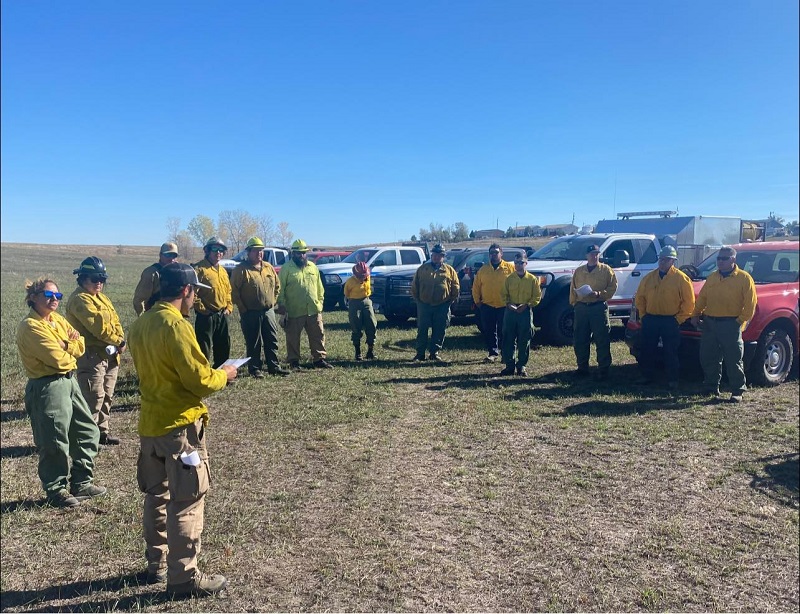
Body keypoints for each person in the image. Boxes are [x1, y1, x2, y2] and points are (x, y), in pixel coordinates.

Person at [128, 263, 237, 597]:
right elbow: (198, 380)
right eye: (194, 294)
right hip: (179, 428)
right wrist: (225, 375)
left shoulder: (141, 323)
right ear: (187, 291)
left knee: (156, 495)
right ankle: (183, 578)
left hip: (151, 425)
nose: (194, 302)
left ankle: (156, 563)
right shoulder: (176, 326)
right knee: (187, 501)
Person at [15, 278, 106, 508]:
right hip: (48, 386)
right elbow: (58, 360)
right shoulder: (30, 326)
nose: (53, 300)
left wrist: (66, 344)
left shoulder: (57, 319)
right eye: (48, 295)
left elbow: (81, 342)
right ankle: (56, 491)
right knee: (54, 440)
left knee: (88, 431)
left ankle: (82, 482)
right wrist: (69, 347)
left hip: (69, 382)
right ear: (33, 297)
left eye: (57, 296)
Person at [65, 256, 126, 445]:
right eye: (95, 279)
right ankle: (85, 439)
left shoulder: (101, 297)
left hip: (109, 355)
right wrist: (119, 340)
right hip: (91, 356)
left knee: (107, 395)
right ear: (83, 278)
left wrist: (120, 340)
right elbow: (99, 328)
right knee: (93, 398)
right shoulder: (80, 300)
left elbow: (114, 320)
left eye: (102, 279)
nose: (99, 283)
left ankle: (102, 433)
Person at [690, 246, 757, 403]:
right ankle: (711, 386)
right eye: (718, 258)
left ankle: (737, 390)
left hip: (730, 323)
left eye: (724, 258)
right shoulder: (713, 277)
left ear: (733, 259)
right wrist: (695, 314)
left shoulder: (744, 278)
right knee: (708, 357)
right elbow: (702, 299)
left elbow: (750, 304)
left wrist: (739, 321)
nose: (720, 261)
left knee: (733, 358)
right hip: (710, 323)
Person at [635, 246, 695, 390]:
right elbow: (640, 298)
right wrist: (643, 315)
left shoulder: (681, 279)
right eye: (661, 259)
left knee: (671, 351)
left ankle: (672, 379)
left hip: (670, 321)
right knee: (647, 349)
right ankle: (646, 376)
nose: (662, 262)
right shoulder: (649, 278)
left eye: (666, 259)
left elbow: (689, 302)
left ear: (673, 261)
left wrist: (678, 319)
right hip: (651, 319)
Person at [230, 237, 290, 377]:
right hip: (250, 312)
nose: (259, 253)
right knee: (253, 341)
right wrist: (243, 309)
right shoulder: (241, 269)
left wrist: (273, 301)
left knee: (271, 339)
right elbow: (234, 291)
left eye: (261, 250)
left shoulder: (268, 267)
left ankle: (273, 367)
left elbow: (277, 285)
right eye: (256, 251)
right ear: (248, 252)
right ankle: (255, 368)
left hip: (268, 311)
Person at [276, 239, 332, 369]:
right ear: (293, 253)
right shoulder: (286, 268)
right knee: (293, 338)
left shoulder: (313, 267)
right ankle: (294, 361)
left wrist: (320, 302)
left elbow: (319, 287)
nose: (301, 255)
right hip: (294, 310)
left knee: (318, 335)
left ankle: (319, 359)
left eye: (303, 253)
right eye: (298, 253)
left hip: (313, 309)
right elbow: (280, 289)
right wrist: (282, 306)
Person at [569, 244, 618, 380]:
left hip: (598, 307)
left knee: (602, 339)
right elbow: (573, 288)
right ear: (586, 255)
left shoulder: (606, 270)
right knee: (580, 339)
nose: (594, 256)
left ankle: (603, 368)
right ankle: (582, 367)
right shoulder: (579, 271)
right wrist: (575, 303)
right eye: (591, 253)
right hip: (581, 308)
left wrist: (599, 294)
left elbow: (612, 288)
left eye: (596, 253)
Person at [410, 244, 460, 362]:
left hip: (442, 305)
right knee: (422, 329)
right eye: (435, 255)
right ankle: (420, 353)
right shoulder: (423, 269)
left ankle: (434, 352)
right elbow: (414, 286)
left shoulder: (449, 270)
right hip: (424, 304)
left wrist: (450, 300)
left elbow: (456, 286)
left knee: (439, 329)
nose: (437, 257)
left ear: (443, 257)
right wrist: (418, 301)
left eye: (439, 255)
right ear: (432, 255)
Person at [193, 237, 233, 368]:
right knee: (203, 346)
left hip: (222, 314)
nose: (218, 253)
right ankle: (203, 374)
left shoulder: (223, 271)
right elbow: (192, 293)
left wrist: (229, 307)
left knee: (223, 344)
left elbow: (228, 291)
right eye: (215, 249)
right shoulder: (199, 269)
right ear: (207, 251)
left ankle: (222, 372)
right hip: (206, 316)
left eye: (221, 250)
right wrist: (203, 309)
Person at [499, 253, 541, 376]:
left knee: (524, 339)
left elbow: (537, 296)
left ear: (526, 263)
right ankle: (509, 365)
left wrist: (527, 304)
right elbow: (503, 294)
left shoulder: (532, 279)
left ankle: (521, 365)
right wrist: (508, 304)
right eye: (516, 263)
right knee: (508, 338)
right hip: (510, 311)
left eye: (521, 263)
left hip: (525, 311)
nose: (518, 265)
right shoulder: (509, 278)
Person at [472, 243, 515, 362]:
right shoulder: (483, 270)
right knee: (489, 331)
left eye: (496, 252)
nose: (494, 255)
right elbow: (476, 287)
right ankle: (493, 353)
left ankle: (505, 354)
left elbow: (516, 284)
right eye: (491, 253)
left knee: (505, 331)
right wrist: (478, 302)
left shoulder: (510, 268)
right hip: (487, 306)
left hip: (504, 305)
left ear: (501, 253)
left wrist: (514, 302)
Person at [133, 242, 180, 316]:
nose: (171, 259)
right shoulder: (151, 273)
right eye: (168, 255)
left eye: (174, 256)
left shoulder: (179, 273)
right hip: (154, 316)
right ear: (160, 255)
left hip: (173, 316)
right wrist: (143, 318)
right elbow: (139, 299)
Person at [343, 261, 378, 361]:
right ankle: (358, 352)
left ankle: (370, 351)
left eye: (364, 275)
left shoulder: (368, 277)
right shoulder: (350, 282)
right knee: (356, 326)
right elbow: (346, 294)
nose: (363, 277)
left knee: (372, 324)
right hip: (354, 302)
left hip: (366, 300)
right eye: (361, 276)